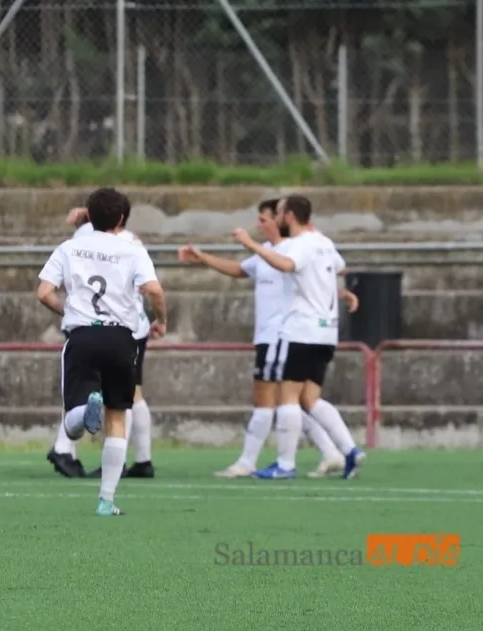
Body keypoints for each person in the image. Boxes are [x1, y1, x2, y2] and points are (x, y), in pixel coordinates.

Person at [179, 199, 356, 478]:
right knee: (300, 401)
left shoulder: (292, 249)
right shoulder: (272, 252)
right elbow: (240, 270)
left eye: (264, 219)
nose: (259, 224)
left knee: (271, 401)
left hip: (283, 335)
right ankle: (333, 452)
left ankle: (253, 462)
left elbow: (307, 270)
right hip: (276, 335)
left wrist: (340, 293)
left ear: (282, 219)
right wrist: (202, 257)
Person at [37, 187, 167, 516]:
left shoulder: (70, 247)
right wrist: (161, 320)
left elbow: (44, 292)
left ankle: (83, 410)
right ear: (122, 219)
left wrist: (67, 310)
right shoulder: (132, 249)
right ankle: (106, 500)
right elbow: (153, 289)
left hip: (82, 336)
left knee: (71, 423)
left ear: (87, 215)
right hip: (121, 338)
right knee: (117, 419)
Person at [232, 195, 366, 479]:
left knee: (287, 397)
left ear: (289, 216)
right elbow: (338, 267)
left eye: (279, 213)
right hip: (327, 332)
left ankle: (285, 465)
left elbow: (287, 264)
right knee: (311, 399)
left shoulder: (300, 244)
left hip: (300, 330)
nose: (277, 218)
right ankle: (349, 450)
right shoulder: (323, 241)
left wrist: (252, 245)